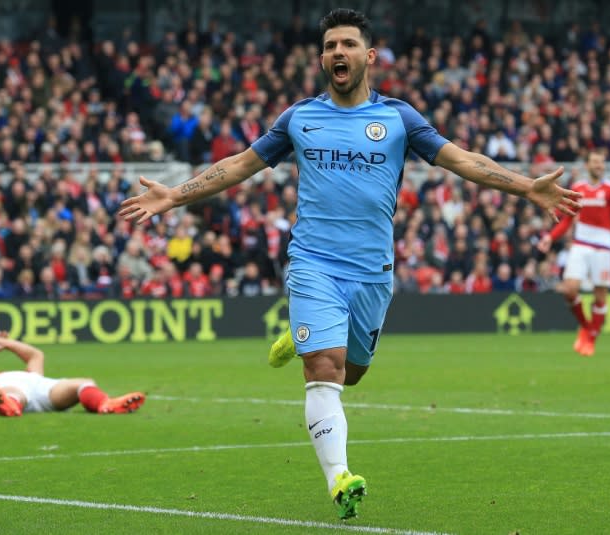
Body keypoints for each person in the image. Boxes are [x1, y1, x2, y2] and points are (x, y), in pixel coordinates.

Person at [119, 8, 580, 520]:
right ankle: (340, 478)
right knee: (324, 370)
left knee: (352, 374)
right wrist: (174, 196)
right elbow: (239, 165)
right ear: (322, 58)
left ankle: (294, 337)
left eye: (348, 44)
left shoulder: (399, 119)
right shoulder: (299, 118)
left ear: (369, 56)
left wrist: (525, 187)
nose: (338, 52)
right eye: (331, 45)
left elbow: (463, 159)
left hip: (372, 276)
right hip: (313, 263)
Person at [537, 151, 610, 356]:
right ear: (588, 165)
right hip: (581, 243)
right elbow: (567, 219)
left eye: (601, 162)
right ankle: (586, 327)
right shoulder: (578, 188)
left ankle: (591, 339)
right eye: (595, 162)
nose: (599, 165)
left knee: (600, 295)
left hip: (603, 246)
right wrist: (551, 237)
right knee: (569, 289)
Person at [0, 329, 145, 417]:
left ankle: (105, 404)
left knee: (83, 383)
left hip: (42, 387)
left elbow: (35, 355)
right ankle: (8, 404)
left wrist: (1, 344)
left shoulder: (28, 374)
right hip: (13, 392)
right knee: (10, 392)